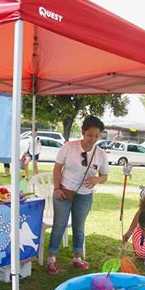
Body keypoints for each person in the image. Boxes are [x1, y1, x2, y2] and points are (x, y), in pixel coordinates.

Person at [47, 116, 109, 275]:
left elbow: (104, 176)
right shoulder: (69, 147)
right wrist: (56, 188)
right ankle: (52, 258)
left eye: (97, 136)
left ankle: (77, 258)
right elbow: (57, 168)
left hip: (85, 195)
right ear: (83, 132)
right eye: (90, 135)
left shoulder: (100, 153)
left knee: (79, 227)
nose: (93, 139)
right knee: (59, 225)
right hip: (64, 191)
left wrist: (97, 179)